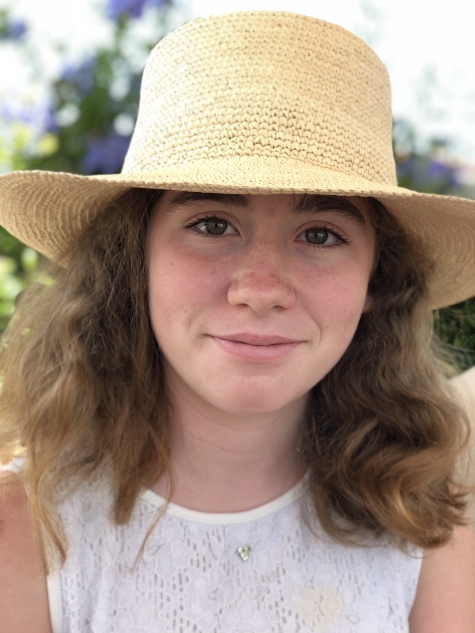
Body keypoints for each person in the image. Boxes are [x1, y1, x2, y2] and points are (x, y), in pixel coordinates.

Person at [1, 10, 475, 633]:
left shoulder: (426, 530)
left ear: (377, 281)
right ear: (133, 259)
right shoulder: (23, 530)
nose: (261, 289)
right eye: (212, 224)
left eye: (320, 234)